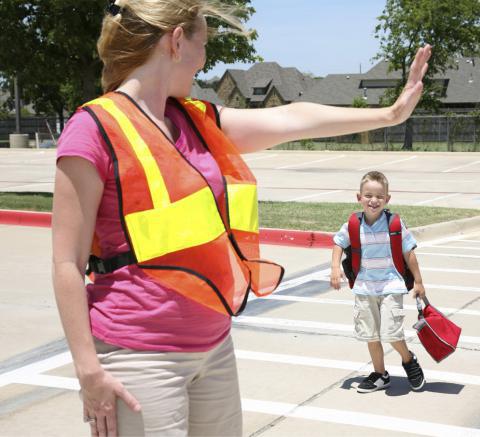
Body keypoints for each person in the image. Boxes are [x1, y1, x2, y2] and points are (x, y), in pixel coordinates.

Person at [51, 0, 431, 434]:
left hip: (213, 347)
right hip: (139, 357)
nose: (204, 61)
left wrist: (389, 114)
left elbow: (292, 118)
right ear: (177, 42)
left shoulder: (196, 120)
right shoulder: (93, 127)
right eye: (204, 44)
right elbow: (66, 262)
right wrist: (87, 370)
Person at [330, 171, 427, 394]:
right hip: (364, 288)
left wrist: (419, 282)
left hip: (391, 286)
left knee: (391, 332)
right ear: (359, 197)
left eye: (379, 196)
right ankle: (380, 374)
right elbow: (337, 243)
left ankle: (408, 360)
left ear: (387, 199)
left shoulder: (394, 223)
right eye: (368, 195)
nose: (373, 200)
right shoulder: (353, 224)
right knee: (371, 334)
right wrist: (335, 267)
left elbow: (409, 252)